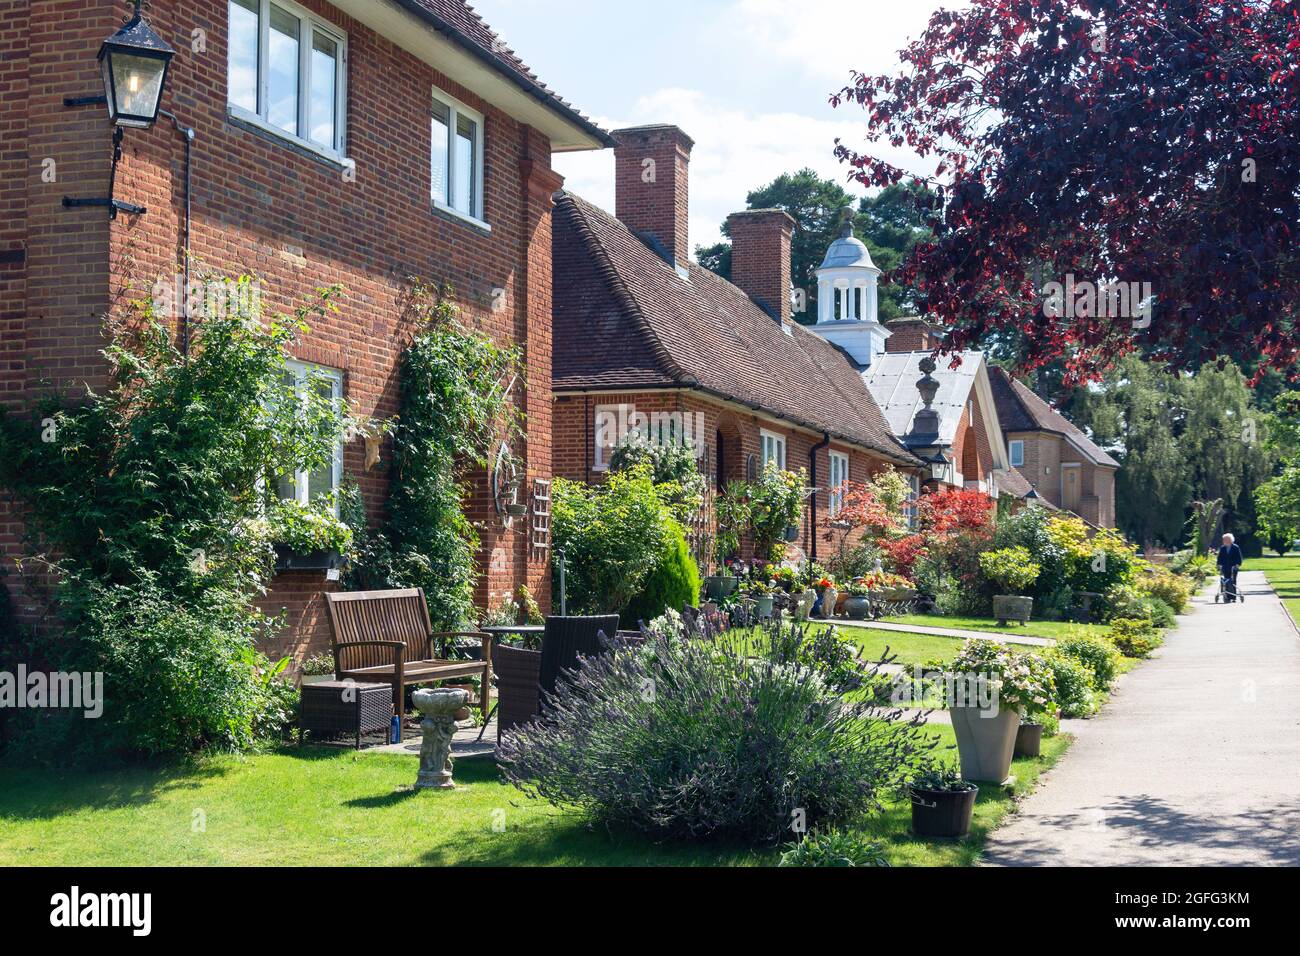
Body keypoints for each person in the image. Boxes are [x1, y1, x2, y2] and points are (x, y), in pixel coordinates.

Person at [1217, 533, 1244, 602]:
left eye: (1225, 539)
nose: (1223, 541)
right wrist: (1219, 564)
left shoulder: (1235, 547)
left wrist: (1238, 564)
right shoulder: (1222, 548)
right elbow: (1219, 557)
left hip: (1233, 567)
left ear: (1230, 540)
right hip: (1225, 567)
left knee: (1233, 581)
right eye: (1223, 539)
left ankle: (1233, 596)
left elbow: (1239, 557)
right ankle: (1226, 595)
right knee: (1225, 581)